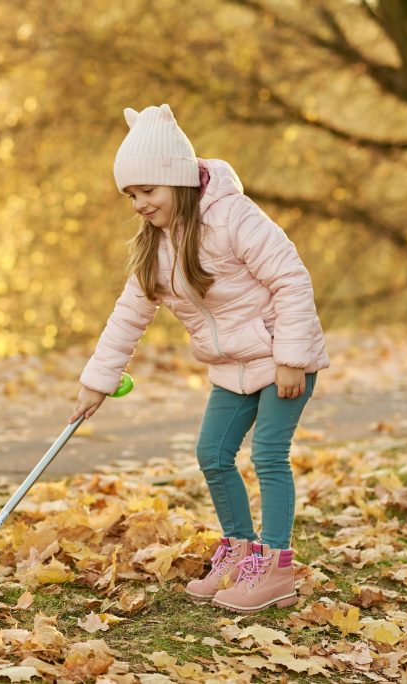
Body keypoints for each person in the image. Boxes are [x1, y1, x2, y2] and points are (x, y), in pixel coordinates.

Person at [70, 104, 329, 614]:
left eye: (148, 191)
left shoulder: (233, 217)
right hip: (231, 369)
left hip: (281, 359)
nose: (139, 204)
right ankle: (239, 551)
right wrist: (97, 381)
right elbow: (128, 315)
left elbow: (291, 278)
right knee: (212, 454)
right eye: (131, 195)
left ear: (177, 180)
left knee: (268, 456)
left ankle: (275, 566)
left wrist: (292, 357)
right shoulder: (155, 247)